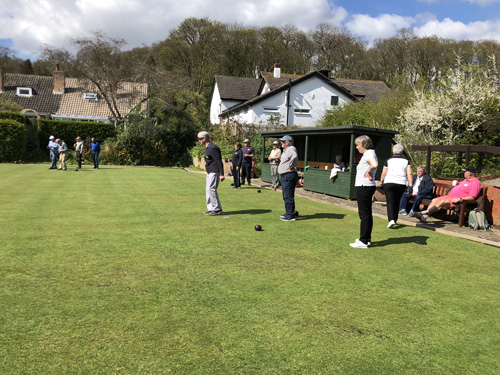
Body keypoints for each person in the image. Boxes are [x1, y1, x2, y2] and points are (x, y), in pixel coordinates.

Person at [416, 166, 481, 223]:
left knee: (442, 202)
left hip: (458, 200)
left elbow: (472, 197)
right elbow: (463, 184)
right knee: (434, 200)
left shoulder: (476, 183)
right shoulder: (466, 180)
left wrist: (460, 199)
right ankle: (424, 217)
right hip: (450, 196)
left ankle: (423, 213)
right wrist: (458, 183)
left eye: (465, 172)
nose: (464, 173)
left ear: (469, 173)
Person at [350, 135, 378, 248]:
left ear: (364, 145)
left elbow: (374, 165)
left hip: (364, 187)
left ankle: (363, 241)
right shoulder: (369, 154)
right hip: (366, 186)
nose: (357, 147)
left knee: (364, 214)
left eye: (358, 145)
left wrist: (368, 171)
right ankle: (366, 238)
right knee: (366, 214)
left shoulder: (369, 154)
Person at [379, 143, 412, 228]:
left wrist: (381, 182)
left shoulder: (388, 160)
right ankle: (395, 219)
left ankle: (391, 220)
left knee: (390, 201)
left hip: (389, 182)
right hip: (401, 183)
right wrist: (410, 186)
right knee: (397, 201)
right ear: (401, 151)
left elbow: (384, 173)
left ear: (393, 151)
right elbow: (410, 173)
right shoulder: (406, 161)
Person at [198, 131, 225, 215]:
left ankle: (217, 208)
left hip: (214, 171)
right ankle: (211, 208)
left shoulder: (213, 148)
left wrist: (221, 174)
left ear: (204, 139)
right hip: (210, 171)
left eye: (200, 139)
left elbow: (219, 161)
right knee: (208, 189)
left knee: (211, 189)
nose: (199, 141)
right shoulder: (207, 148)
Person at [278, 135, 299, 221]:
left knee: (288, 196)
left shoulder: (291, 148)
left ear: (288, 142)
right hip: (286, 175)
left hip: (288, 175)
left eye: (283, 141)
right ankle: (290, 212)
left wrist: (291, 165)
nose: (281, 143)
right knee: (287, 196)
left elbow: (294, 157)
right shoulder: (286, 150)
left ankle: (290, 215)